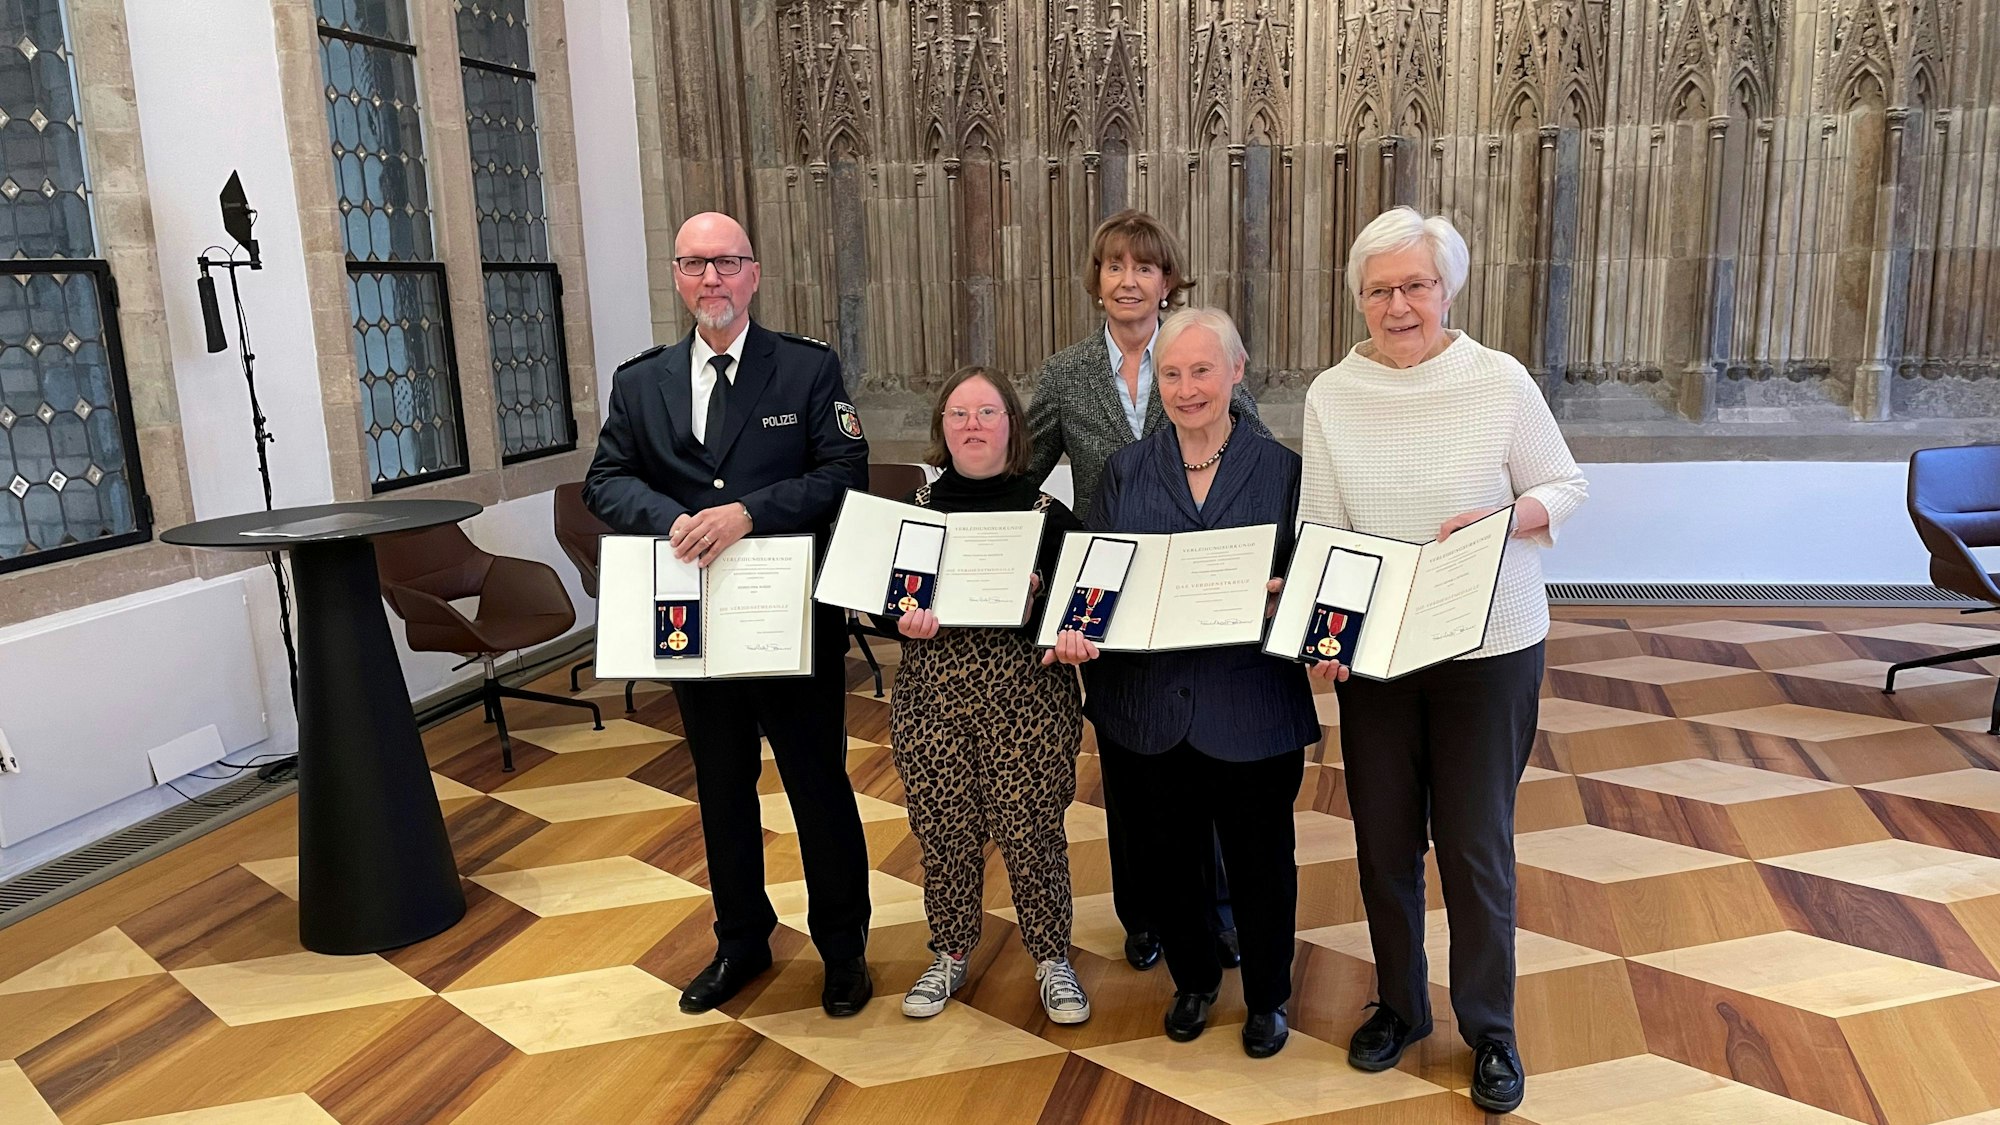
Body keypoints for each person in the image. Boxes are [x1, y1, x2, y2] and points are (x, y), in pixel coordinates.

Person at [1300, 206, 1588, 1114]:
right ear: (1358, 300)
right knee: (1384, 841)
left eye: (1414, 285)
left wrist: (1504, 520)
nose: (1397, 305)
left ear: (1448, 287)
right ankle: (1400, 1005)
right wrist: (1325, 639)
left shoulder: (1496, 379)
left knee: (1473, 845)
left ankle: (1490, 1029)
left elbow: (1565, 486)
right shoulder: (1331, 394)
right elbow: (1322, 529)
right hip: (1381, 653)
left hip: (1489, 645)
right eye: (1379, 290)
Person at [584, 211, 876, 1019]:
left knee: (817, 785)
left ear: (754, 273)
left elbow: (845, 471)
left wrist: (747, 512)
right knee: (720, 787)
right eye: (693, 265)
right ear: (676, 277)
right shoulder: (641, 383)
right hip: (695, 622)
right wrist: (664, 519)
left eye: (725, 263)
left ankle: (843, 945)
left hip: (789, 621)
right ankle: (741, 938)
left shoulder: (806, 371)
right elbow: (605, 479)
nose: (710, 279)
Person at [1044, 307, 1318, 1059]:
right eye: (1171, 372)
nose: (1187, 387)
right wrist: (1077, 627)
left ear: (1237, 371)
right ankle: (1193, 978)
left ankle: (1267, 995)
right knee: (1168, 857)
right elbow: (1098, 576)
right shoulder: (1128, 470)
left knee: (1263, 863)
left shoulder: (1285, 470)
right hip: (1146, 705)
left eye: (1203, 370)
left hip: (1250, 702)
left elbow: (1312, 584)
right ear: (1153, 380)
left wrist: (1286, 594)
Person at [1025, 208, 1263, 972]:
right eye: (1114, 266)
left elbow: (1250, 448)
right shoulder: (1065, 373)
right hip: (1112, 601)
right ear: (1096, 282)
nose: (1129, 280)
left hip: (1200, 589)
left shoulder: (1199, 353)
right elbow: (1020, 474)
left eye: (1145, 267)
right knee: (1131, 761)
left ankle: (1218, 910)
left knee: (1213, 753)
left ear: (1168, 281)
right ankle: (1144, 913)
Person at [884, 366, 1091, 1026]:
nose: (973, 425)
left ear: (1013, 427)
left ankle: (1052, 956)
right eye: (959, 414)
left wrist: (1042, 608)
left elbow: (1080, 613)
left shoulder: (1048, 515)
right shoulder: (911, 515)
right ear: (942, 429)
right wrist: (899, 618)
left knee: (1032, 834)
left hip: (1027, 699)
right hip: (931, 699)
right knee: (942, 831)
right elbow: (883, 602)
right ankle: (947, 950)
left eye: (988, 412)